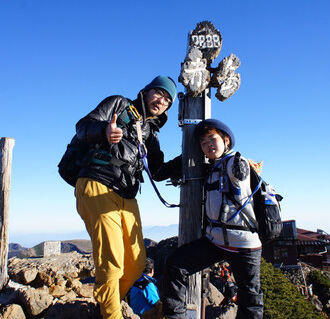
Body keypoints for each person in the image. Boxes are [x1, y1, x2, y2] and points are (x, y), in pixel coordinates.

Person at [75, 76, 181, 319]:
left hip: (127, 193)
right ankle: (110, 314)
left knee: (135, 263)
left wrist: (187, 161)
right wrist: (104, 130)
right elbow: (82, 127)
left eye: (167, 100)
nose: (162, 100)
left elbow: (156, 169)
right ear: (145, 91)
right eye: (159, 93)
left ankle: (105, 307)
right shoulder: (118, 104)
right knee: (111, 261)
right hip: (97, 182)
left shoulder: (151, 134)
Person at [161, 119, 264, 319]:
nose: (208, 145)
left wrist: (242, 165)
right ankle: (177, 315)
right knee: (175, 265)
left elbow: (239, 174)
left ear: (226, 141)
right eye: (203, 142)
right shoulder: (213, 168)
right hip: (217, 242)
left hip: (244, 244)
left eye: (212, 139)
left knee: (249, 298)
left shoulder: (236, 162)